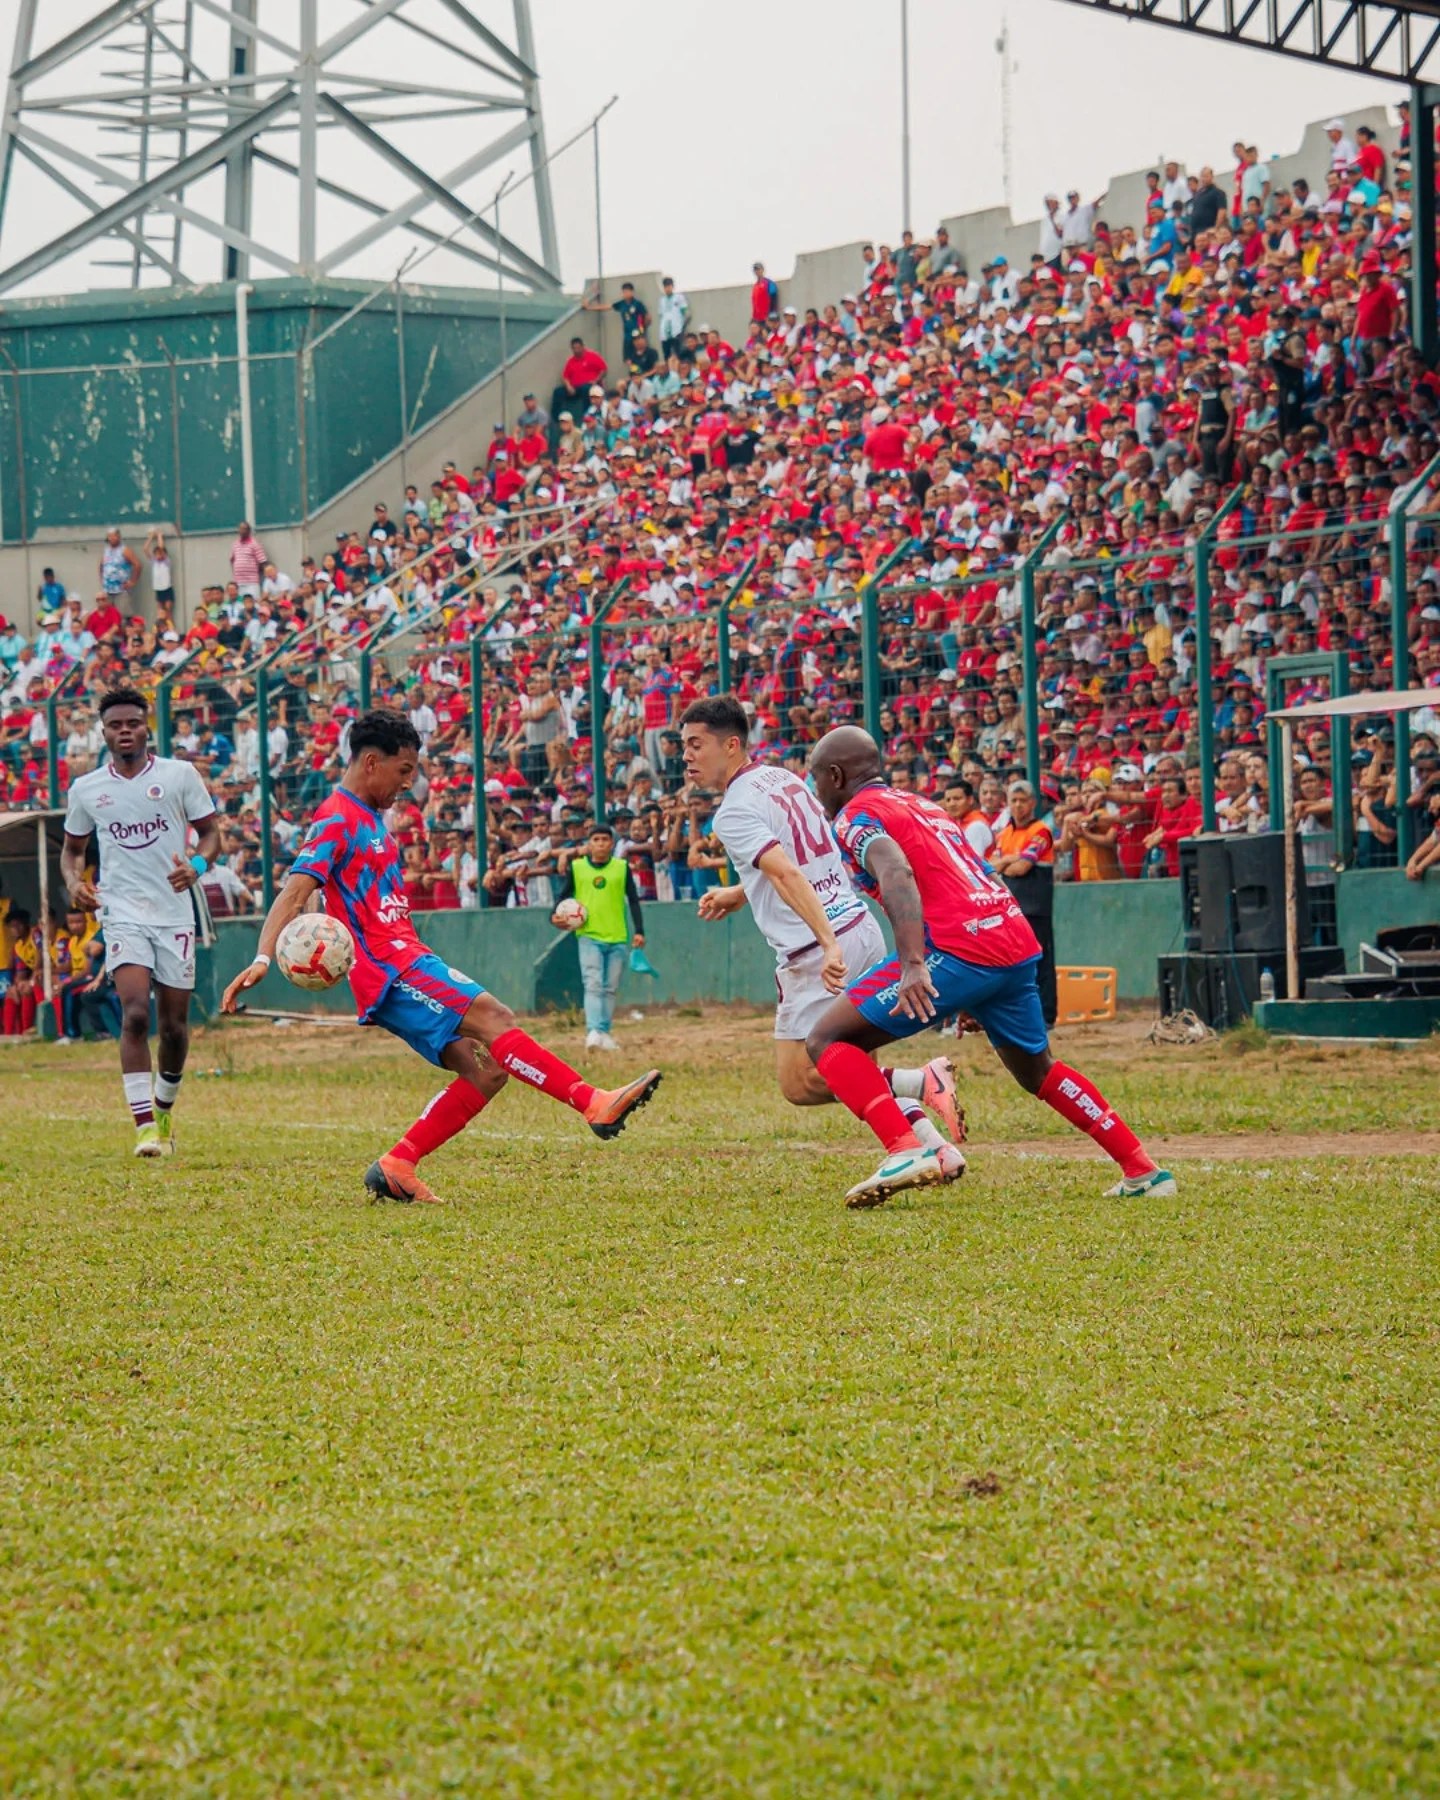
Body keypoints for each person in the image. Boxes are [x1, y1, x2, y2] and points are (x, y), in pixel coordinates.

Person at [221, 709, 661, 1205]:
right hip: (388, 968)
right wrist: (263, 958)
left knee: (487, 1070)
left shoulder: (370, 820)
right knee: (496, 1017)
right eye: (404, 770)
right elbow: (295, 891)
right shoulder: (337, 818)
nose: (410, 783)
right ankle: (593, 1103)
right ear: (371, 763)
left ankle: (397, 1164)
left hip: (407, 957)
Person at [802, 727, 1174, 1208]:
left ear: (836, 775)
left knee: (826, 1040)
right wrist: (977, 983)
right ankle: (1143, 1168)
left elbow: (895, 871)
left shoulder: (857, 815)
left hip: (955, 946)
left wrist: (915, 963)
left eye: (816, 781)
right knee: (1038, 1070)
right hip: (1011, 937)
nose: (817, 793)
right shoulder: (925, 806)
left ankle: (905, 1147)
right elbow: (983, 870)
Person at [679, 697, 961, 1146]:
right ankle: (932, 1148)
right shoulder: (781, 778)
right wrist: (741, 891)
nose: (687, 756)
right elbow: (812, 850)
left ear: (731, 744)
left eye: (696, 744)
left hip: (819, 952)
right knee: (854, 1065)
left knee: (799, 1082)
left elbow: (786, 872)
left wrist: (827, 942)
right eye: (684, 747)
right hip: (860, 928)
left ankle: (919, 1084)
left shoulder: (732, 810)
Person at [59, 684, 220, 1157]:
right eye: (115, 725)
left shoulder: (178, 776)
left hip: (174, 916)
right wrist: (73, 884)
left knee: (173, 1027)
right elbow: (72, 853)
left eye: (132, 723)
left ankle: (165, 1110)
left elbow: (211, 836)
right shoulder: (87, 790)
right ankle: (145, 1128)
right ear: (103, 732)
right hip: (123, 912)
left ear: (146, 726)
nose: (124, 731)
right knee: (134, 1013)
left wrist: (198, 867)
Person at [551, 822, 645, 1051]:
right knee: (593, 984)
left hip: (617, 936)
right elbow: (561, 898)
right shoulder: (578, 868)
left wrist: (640, 930)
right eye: (596, 840)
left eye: (605, 840)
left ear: (612, 844)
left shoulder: (621, 868)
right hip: (589, 936)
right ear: (589, 844)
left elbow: (633, 900)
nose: (601, 844)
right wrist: (554, 916)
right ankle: (593, 1031)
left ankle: (604, 1031)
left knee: (609, 987)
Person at [992, 780, 1057, 1028]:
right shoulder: (1004, 833)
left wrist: (1006, 862)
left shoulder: (1041, 831)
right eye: (1014, 801)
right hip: (1010, 906)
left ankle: (1046, 1015)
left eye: (1023, 800)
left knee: (1041, 960)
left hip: (1035, 906)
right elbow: (990, 866)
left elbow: (1022, 867)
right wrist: (1010, 859)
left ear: (1032, 803)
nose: (1018, 806)